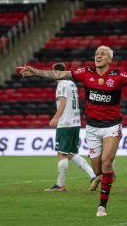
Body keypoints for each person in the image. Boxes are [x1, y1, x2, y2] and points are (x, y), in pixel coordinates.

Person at [17, 45, 127, 217]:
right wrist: (36, 72)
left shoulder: (118, 76)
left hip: (112, 126)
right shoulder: (86, 72)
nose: (98, 56)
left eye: (102, 54)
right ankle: (106, 175)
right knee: (99, 171)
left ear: (109, 59)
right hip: (92, 128)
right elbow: (60, 74)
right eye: (96, 53)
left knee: (106, 163)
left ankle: (102, 206)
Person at [44, 63, 96, 192]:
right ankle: (93, 175)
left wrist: (56, 117)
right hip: (75, 123)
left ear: (57, 72)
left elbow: (63, 101)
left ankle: (60, 185)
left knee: (61, 154)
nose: (53, 75)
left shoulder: (61, 84)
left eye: (53, 72)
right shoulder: (71, 84)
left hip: (65, 124)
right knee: (71, 154)